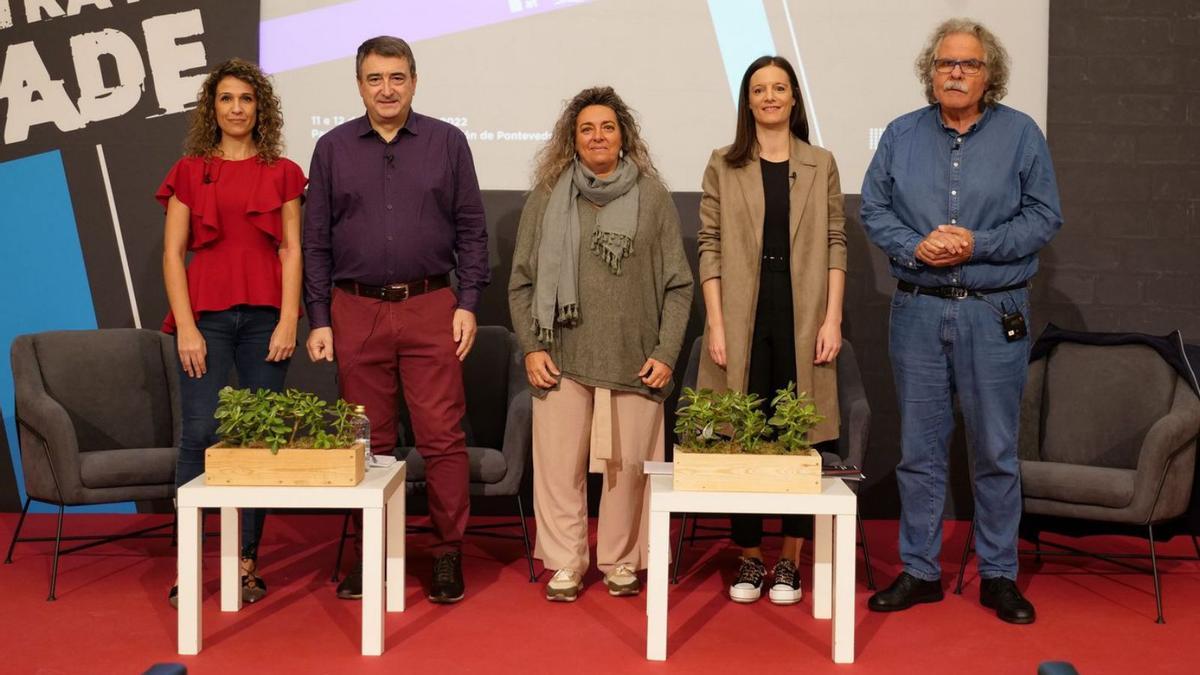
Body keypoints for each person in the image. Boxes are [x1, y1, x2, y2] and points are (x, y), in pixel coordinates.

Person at [860, 18, 1062, 624]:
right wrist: (913, 247)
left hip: (994, 311)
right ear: (931, 71)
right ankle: (920, 571)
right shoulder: (900, 135)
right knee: (919, 451)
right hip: (917, 309)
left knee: (996, 451)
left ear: (988, 74)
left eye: (968, 64)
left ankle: (999, 576)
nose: (955, 72)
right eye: (946, 63)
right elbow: (873, 209)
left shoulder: (1022, 135)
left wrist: (977, 243)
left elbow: (1043, 217)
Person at [303, 36, 488, 604]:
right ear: (360, 85)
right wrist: (319, 317)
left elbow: (471, 231)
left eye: (397, 77)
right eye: (375, 78)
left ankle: (447, 554)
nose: (387, 89)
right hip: (354, 309)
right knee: (368, 439)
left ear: (414, 80)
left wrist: (468, 303)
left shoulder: (447, 142)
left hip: (432, 305)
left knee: (441, 437)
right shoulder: (332, 148)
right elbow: (315, 242)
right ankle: (372, 554)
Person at [508, 86, 693, 602]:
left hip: (635, 359)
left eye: (607, 127)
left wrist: (665, 353)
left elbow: (679, 285)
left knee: (627, 472)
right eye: (586, 128)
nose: (597, 136)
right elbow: (521, 281)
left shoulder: (652, 197)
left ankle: (622, 562)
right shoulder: (548, 196)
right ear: (573, 138)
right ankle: (565, 563)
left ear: (623, 135)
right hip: (559, 357)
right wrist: (532, 346)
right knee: (558, 470)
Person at [696, 56, 847, 605]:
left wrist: (832, 318)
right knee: (743, 432)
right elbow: (708, 244)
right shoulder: (723, 162)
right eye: (759, 89)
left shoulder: (820, 162)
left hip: (802, 311)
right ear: (748, 100)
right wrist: (715, 324)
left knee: (798, 436)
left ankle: (790, 560)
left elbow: (836, 240)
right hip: (740, 314)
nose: (769, 97)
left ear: (793, 97)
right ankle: (750, 558)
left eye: (779, 87)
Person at [159, 58, 306, 607]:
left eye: (246, 98)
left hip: (267, 319)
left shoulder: (284, 172)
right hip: (206, 321)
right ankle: (189, 565)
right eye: (226, 98)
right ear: (212, 108)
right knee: (199, 434)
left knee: (256, 442)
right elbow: (174, 255)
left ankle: (246, 562)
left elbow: (291, 249)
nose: (237, 108)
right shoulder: (189, 169)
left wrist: (290, 318)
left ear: (259, 107)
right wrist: (188, 328)